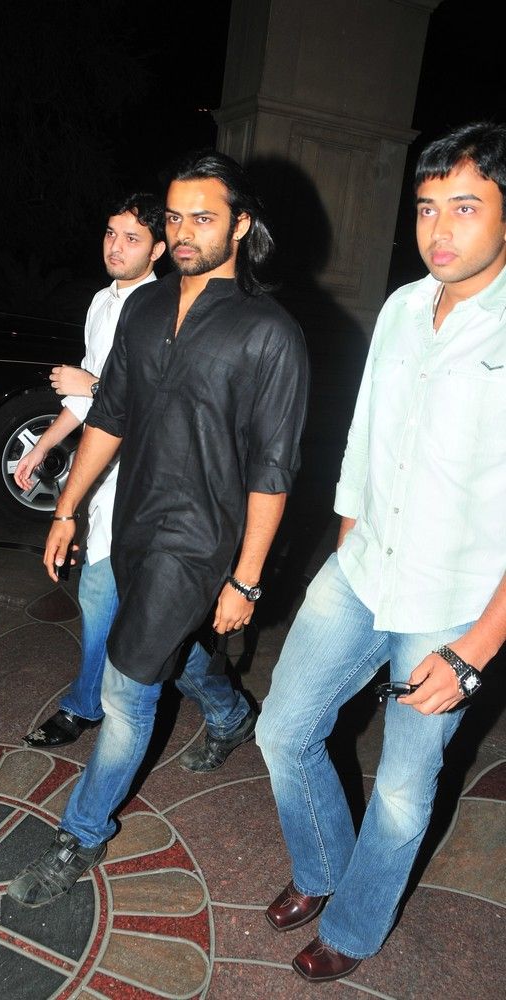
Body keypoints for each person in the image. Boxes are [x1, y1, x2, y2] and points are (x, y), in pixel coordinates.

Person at [7, 149, 309, 907]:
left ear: (241, 225)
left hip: (201, 541)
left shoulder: (270, 333)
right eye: (174, 218)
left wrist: (246, 578)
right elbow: (110, 417)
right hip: (131, 522)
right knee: (168, 648)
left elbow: (273, 469)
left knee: (126, 689)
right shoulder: (144, 309)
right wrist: (68, 508)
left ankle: (81, 833)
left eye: (203, 218)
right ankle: (230, 714)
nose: (183, 232)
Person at [256, 120, 506, 982]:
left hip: (451, 603)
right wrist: (346, 542)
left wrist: (477, 649)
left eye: (465, 206)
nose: (439, 228)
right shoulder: (402, 307)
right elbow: (364, 435)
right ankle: (322, 864)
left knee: (401, 789)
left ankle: (355, 927)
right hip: (362, 568)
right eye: (427, 207)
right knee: (283, 730)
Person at [15, 193, 253, 760]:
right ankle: (227, 710)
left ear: (159, 250)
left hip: (147, 489)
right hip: (99, 480)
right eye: (110, 234)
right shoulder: (103, 302)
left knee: (108, 602)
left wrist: (92, 386)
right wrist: (43, 446)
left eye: (132, 239)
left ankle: (84, 705)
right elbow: (91, 403)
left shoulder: (165, 307)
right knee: (146, 625)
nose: (116, 248)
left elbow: (156, 405)